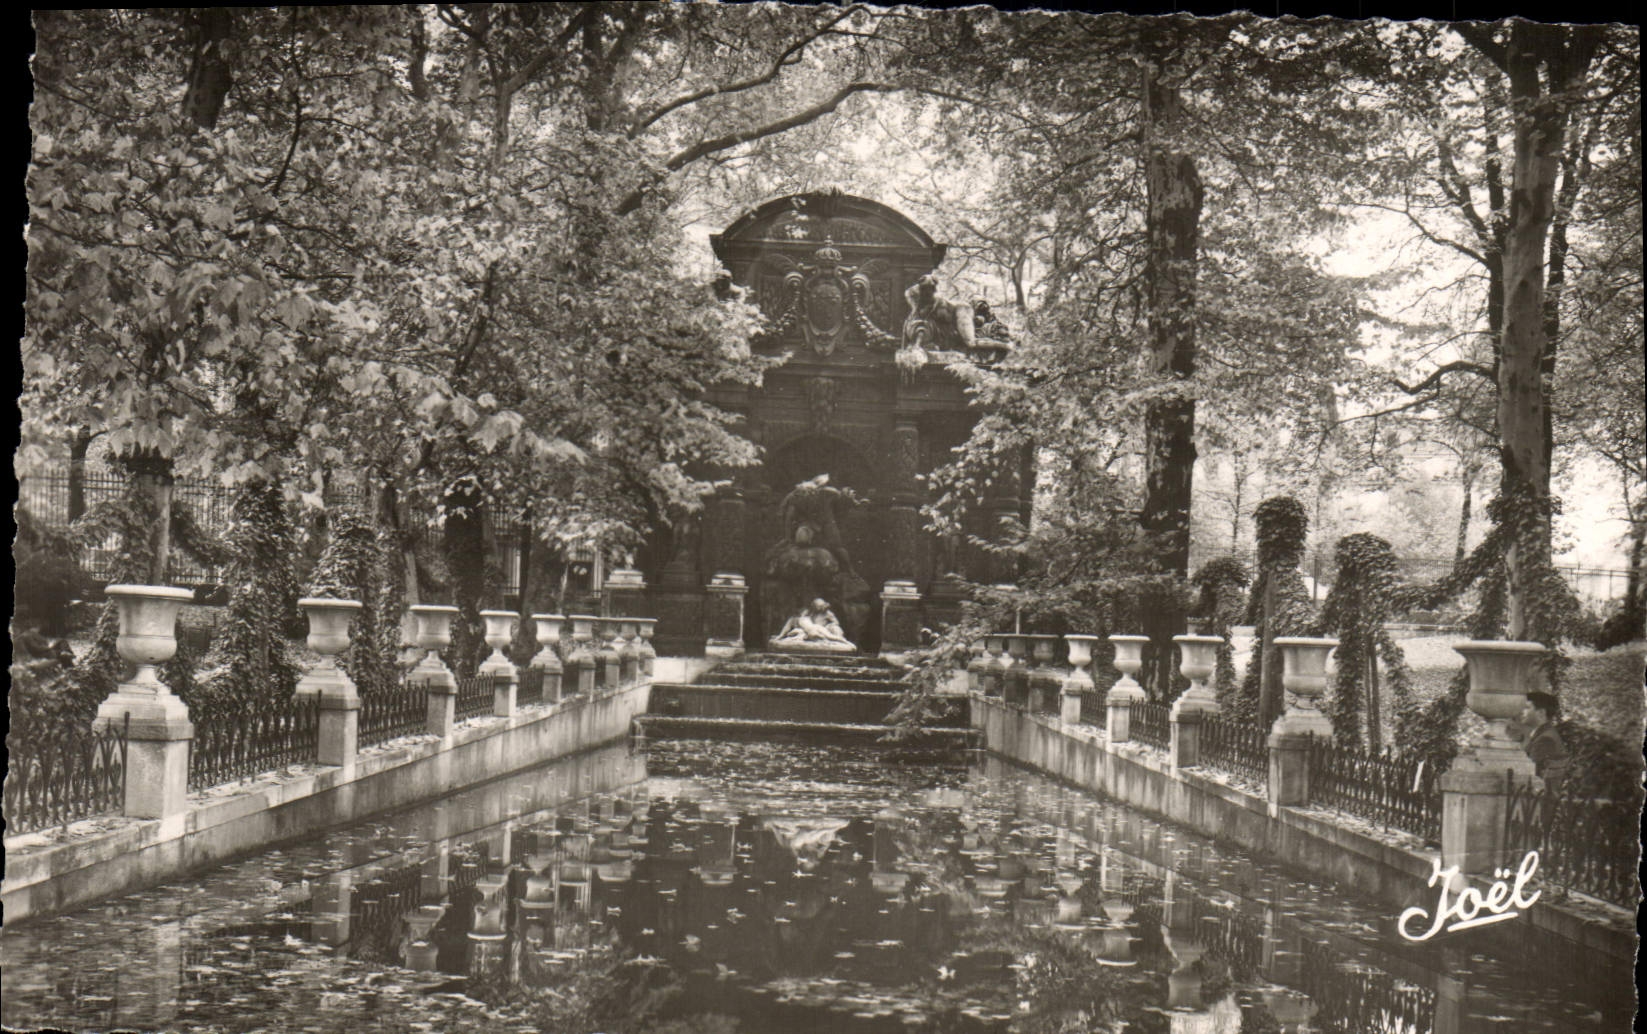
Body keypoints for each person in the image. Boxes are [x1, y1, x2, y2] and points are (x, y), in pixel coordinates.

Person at [1519, 690, 1569, 789]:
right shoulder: (1545, 733)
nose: (1521, 711)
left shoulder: (1546, 739)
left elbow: (1527, 772)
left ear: (1541, 712)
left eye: (1526, 707)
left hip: (1538, 796)